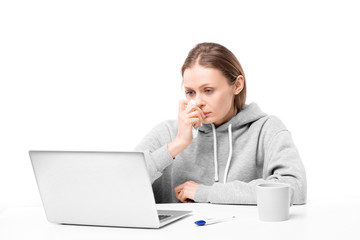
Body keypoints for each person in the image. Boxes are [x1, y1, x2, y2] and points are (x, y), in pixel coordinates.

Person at [135, 42, 307, 204]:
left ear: (237, 85)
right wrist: (177, 144)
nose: (198, 101)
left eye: (208, 90)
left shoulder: (266, 129)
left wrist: (205, 193)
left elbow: (295, 189)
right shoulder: (167, 132)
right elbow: (121, 183)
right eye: (190, 92)